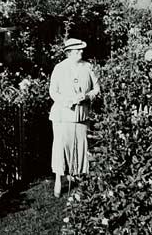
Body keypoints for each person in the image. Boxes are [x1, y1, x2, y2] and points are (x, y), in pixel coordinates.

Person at [49, 38, 100, 198]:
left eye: (81, 49)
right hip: (63, 115)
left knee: (81, 147)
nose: (81, 52)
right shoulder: (60, 68)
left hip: (82, 115)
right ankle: (59, 178)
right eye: (77, 50)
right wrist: (67, 101)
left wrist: (86, 97)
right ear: (69, 53)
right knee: (61, 146)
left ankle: (79, 178)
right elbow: (53, 91)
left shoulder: (88, 67)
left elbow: (97, 88)